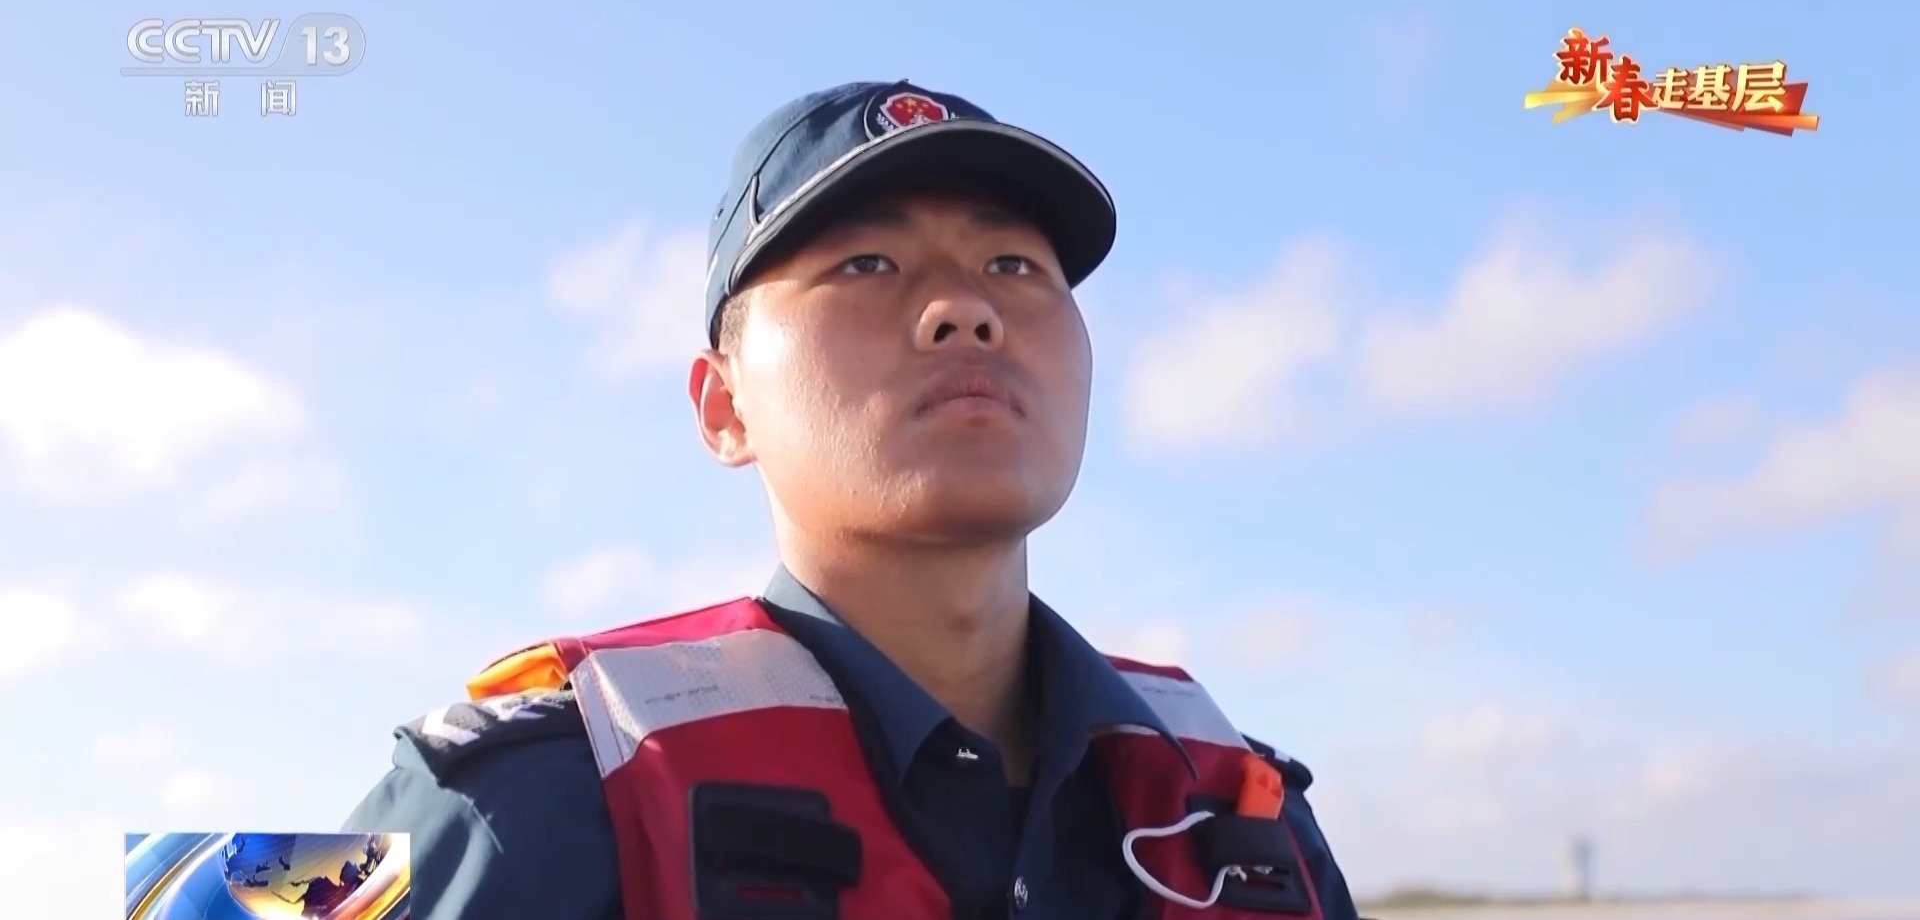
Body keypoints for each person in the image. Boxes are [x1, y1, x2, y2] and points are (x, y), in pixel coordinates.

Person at [344, 80, 1362, 920]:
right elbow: (263, 894)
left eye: (1013, 264)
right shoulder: (516, 790)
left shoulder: (1246, 815)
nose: (964, 308)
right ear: (724, 406)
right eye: (867, 263)